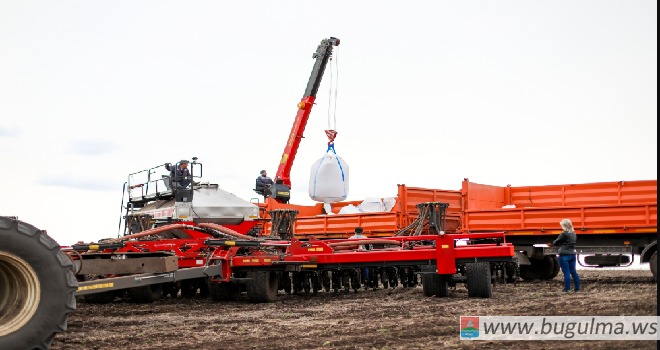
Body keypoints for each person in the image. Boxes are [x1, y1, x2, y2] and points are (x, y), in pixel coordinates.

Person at [552, 219, 581, 293]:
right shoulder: (574, 234)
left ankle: (567, 289)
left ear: (564, 226)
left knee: (566, 273)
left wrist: (557, 243)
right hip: (572, 255)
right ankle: (577, 289)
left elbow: (555, 242)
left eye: (562, 225)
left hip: (564, 255)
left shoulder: (564, 234)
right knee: (573, 272)